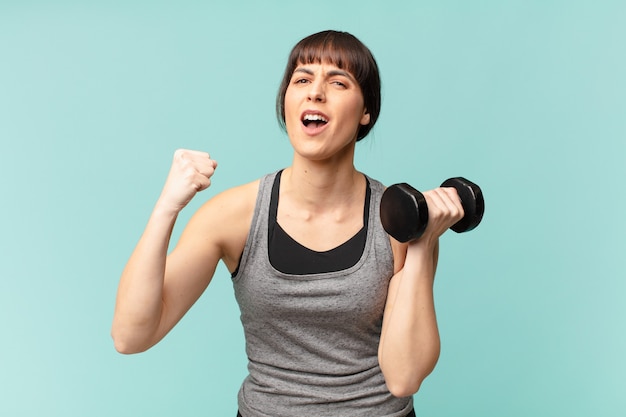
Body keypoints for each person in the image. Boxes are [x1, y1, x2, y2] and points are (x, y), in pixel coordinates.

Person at [111, 30, 464, 417]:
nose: (315, 92)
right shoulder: (234, 216)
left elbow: (404, 377)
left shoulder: (398, 223)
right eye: (302, 79)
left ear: (366, 112)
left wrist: (422, 243)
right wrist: (166, 208)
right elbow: (131, 336)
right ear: (287, 102)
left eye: (338, 82)